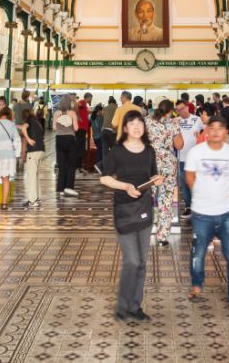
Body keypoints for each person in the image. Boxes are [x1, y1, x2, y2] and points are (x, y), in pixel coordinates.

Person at [99, 110, 162, 321]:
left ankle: (135, 306)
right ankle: (122, 305)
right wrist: (125, 186)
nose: (136, 126)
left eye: (140, 123)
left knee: (142, 261)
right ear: (125, 128)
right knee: (132, 261)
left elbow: (151, 174)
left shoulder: (149, 151)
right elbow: (105, 179)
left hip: (144, 209)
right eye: (131, 123)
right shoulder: (117, 151)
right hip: (124, 210)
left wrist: (156, 179)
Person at [185, 115, 229, 316]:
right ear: (207, 131)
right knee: (198, 252)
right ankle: (196, 284)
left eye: (221, 128)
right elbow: (190, 176)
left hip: (227, 211)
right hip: (202, 212)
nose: (217, 131)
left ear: (226, 131)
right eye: (213, 128)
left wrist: (223, 193)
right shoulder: (196, 152)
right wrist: (201, 195)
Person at [146, 100, 184, 245]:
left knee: (146, 197)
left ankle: (142, 230)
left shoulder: (147, 121)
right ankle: (162, 237)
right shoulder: (172, 123)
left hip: (149, 162)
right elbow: (179, 145)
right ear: (170, 111)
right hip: (168, 163)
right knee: (165, 199)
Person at [175, 100, 204, 216]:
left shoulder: (197, 119)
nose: (180, 111)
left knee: (196, 183)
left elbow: (208, 130)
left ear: (187, 107)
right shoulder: (176, 121)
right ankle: (188, 206)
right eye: (177, 109)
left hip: (195, 159)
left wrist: (200, 136)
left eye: (182, 108)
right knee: (184, 184)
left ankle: (198, 206)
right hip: (181, 158)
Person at [0, 107, 20, 209]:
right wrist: (17, 155)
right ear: (10, 115)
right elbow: (17, 140)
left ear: (0, 113)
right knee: (6, 178)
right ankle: (4, 203)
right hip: (8, 154)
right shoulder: (12, 125)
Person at [53, 95, 79, 198]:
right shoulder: (72, 113)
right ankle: (69, 187)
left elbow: (54, 127)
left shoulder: (57, 113)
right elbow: (76, 128)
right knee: (71, 165)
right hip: (70, 139)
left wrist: (61, 126)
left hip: (59, 139)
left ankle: (61, 189)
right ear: (70, 104)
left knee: (61, 165)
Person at [20, 107, 46, 208]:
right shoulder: (37, 121)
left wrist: (28, 139)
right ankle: (38, 198)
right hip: (41, 150)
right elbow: (22, 126)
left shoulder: (29, 121)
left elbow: (23, 128)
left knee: (31, 176)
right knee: (36, 175)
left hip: (33, 151)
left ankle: (32, 201)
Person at [76, 92, 93, 172]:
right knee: (80, 148)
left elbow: (83, 112)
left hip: (82, 129)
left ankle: (78, 166)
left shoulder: (85, 105)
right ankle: (78, 166)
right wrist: (78, 117)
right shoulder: (82, 102)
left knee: (80, 147)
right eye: (91, 98)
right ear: (88, 97)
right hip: (80, 129)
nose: (91, 100)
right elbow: (76, 105)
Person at [90, 103, 105, 174]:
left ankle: (98, 165)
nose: (102, 112)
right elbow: (101, 127)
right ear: (99, 111)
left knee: (99, 151)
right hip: (100, 136)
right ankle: (98, 165)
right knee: (100, 152)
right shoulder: (100, 118)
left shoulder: (92, 117)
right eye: (101, 111)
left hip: (94, 137)